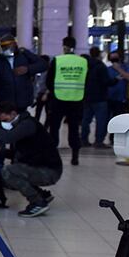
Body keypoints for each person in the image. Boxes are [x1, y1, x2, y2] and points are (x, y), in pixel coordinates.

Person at [0, 100, 62, 218]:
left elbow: (7, 137)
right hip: (42, 166)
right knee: (14, 171)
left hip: (50, 171)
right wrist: (1, 151)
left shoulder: (27, 124)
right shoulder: (22, 124)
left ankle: (37, 202)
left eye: (5, 120)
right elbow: (21, 153)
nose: (4, 124)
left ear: (13, 114)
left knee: (8, 172)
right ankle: (42, 195)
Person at [45, 36, 87, 166]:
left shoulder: (57, 60)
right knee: (74, 128)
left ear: (64, 46)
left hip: (58, 99)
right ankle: (75, 156)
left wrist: (53, 91)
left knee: (54, 128)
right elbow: (87, 80)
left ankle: (53, 155)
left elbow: (49, 81)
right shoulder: (83, 62)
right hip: (76, 99)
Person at [0, 34, 47, 111]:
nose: (5, 48)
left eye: (7, 46)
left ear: (14, 44)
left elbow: (43, 65)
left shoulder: (24, 55)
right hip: (4, 103)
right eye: (3, 46)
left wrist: (28, 69)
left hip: (22, 101)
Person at [80, 47, 117, 147]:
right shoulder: (101, 66)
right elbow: (106, 81)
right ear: (99, 54)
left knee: (86, 119)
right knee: (101, 120)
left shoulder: (85, 65)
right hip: (100, 97)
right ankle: (98, 141)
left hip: (87, 96)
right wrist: (116, 80)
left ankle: (83, 139)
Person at [100, 50, 129, 144]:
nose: (114, 59)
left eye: (115, 57)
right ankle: (100, 139)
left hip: (121, 98)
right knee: (105, 119)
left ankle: (114, 138)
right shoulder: (107, 69)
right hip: (108, 98)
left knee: (118, 120)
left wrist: (119, 69)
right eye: (112, 57)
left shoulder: (125, 68)